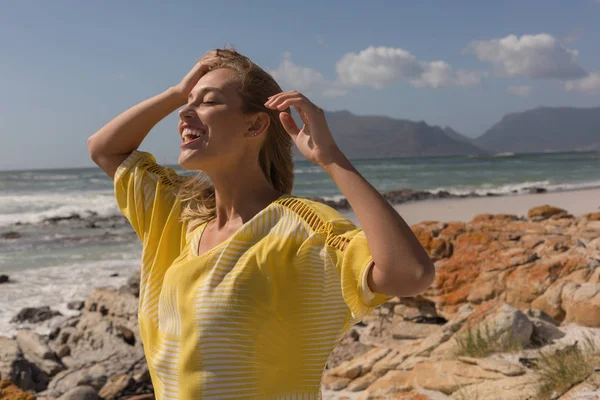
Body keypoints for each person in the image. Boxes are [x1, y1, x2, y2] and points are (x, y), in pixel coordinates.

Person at [88, 48, 434, 400]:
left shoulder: (299, 228)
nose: (184, 112)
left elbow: (409, 274)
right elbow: (105, 149)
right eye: (188, 102)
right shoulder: (180, 216)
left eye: (208, 101)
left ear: (255, 124)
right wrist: (176, 93)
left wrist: (331, 159)